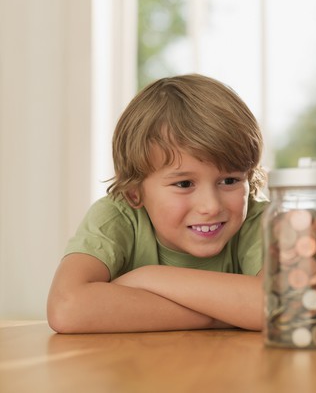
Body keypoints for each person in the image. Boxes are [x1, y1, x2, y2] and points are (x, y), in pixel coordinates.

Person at [47, 74, 268, 333]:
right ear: (133, 192)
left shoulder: (262, 222)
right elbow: (67, 308)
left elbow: (280, 305)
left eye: (229, 180)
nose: (211, 206)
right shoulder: (117, 217)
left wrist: (149, 278)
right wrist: (225, 314)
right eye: (184, 184)